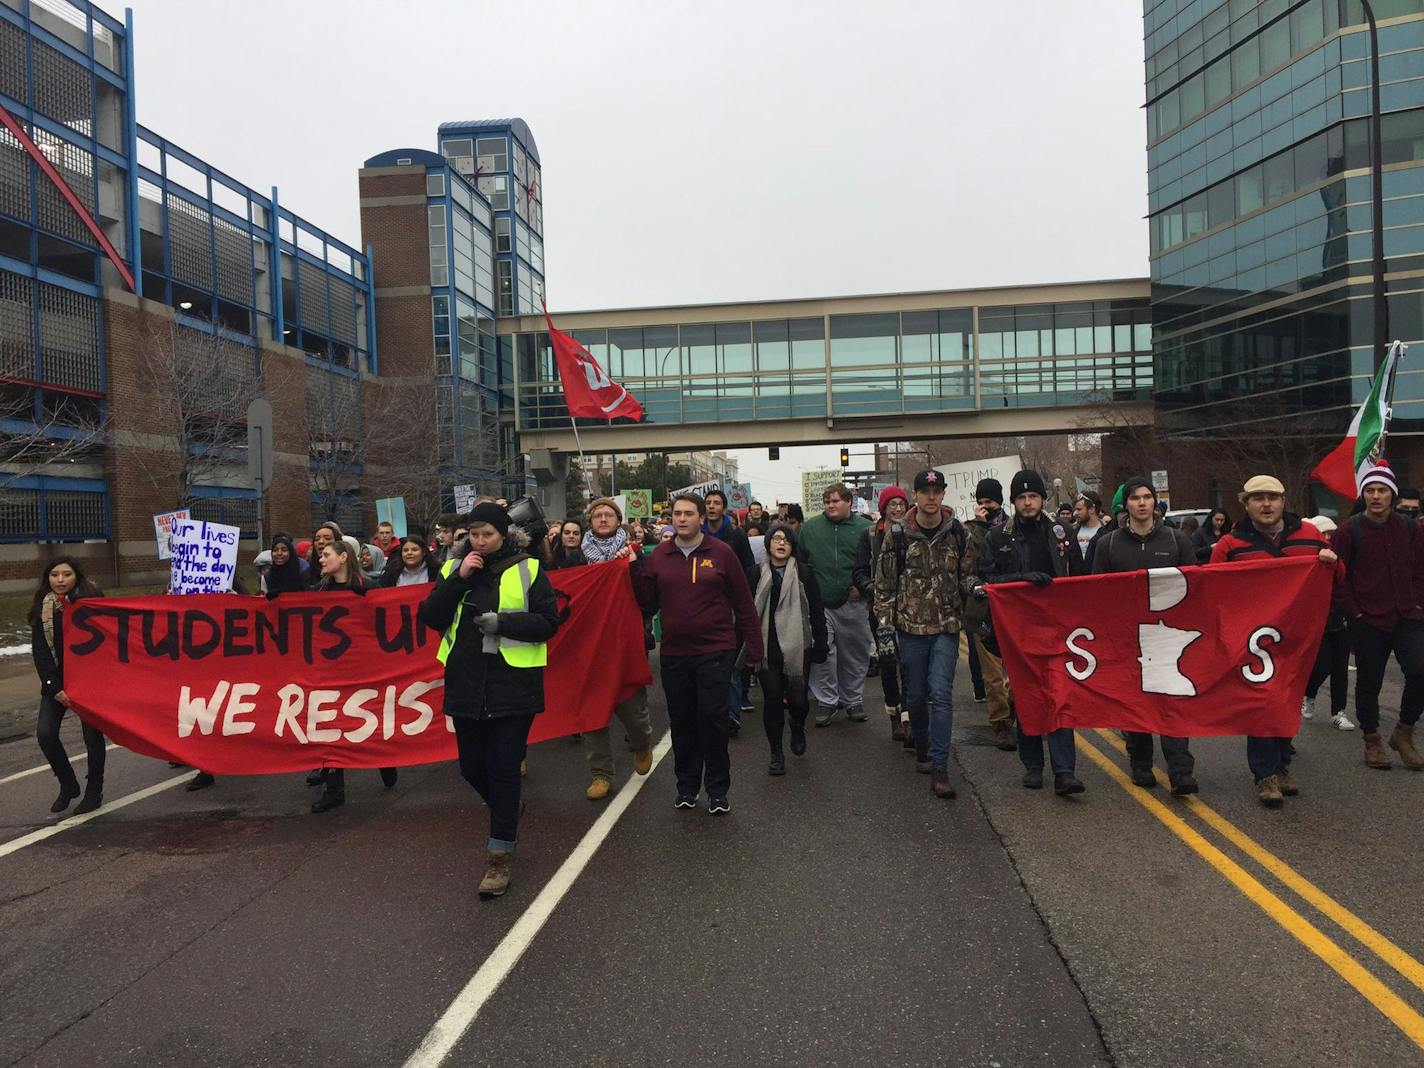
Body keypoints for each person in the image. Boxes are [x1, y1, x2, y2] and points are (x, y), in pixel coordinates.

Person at [420, 502, 561, 898]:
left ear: (503, 535)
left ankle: (500, 854)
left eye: (488, 535)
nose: (480, 542)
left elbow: (549, 622)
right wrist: (458, 580)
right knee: (470, 767)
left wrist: (505, 622)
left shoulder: (528, 568)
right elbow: (430, 616)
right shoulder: (453, 568)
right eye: (474, 535)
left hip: (513, 685)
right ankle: (506, 809)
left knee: (503, 767)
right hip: (465, 685)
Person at [1210, 475, 1340, 805]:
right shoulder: (1230, 545)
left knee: (1286, 699)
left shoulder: (1310, 535)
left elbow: (1338, 575)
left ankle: (1282, 763)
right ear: (1246, 504)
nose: (1266, 504)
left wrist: (1332, 563)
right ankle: (1266, 773)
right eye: (1258, 498)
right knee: (1263, 702)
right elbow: (1212, 590)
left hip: (1299, 638)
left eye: (1272, 497)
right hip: (1254, 641)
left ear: (1283, 500)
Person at [628, 493, 763, 813]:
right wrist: (634, 570)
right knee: (683, 722)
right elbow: (647, 604)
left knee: (713, 721)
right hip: (675, 654)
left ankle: (717, 790)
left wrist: (755, 646)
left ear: (702, 518)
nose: (682, 518)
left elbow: (744, 602)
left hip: (715, 651)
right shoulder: (660, 554)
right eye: (677, 514)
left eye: (689, 513)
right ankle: (687, 787)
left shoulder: (722, 553)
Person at [977, 469, 1087, 795]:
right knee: (1027, 698)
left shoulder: (1062, 534)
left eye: (1034, 496)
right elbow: (985, 581)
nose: (1028, 502)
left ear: (1043, 499)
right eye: (1022, 497)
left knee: (1059, 697)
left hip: (1056, 629)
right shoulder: (997, 538)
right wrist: (1022, 580)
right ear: (1013, 501)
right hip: (1017, 631)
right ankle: (1033, 765)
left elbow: (1081, 582)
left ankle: (1065, 771)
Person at [1092, 475, 1200, 795]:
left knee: (1172, 702)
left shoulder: (1176, 540)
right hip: (1126, 638)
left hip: (1166, 637)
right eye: (1135, 497)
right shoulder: (1108, 544)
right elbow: (1094, 592)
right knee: (1135, 703)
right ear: (1125, 504)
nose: (1142, 503)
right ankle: (1140, 762)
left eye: (1147, 497)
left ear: (1155, 502)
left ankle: (1180, 771)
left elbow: (1197, 585)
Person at [875, 470, 976, 798]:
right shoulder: (898, 534)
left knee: (941, 694)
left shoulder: (958, 533)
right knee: (916, 696)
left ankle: (940, 766)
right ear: (915, 495)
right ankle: (921, 740)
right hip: (910, 627)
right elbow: (885, 584)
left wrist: (978, 592)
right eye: (925, 491)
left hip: (947, 627)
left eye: (937, 490)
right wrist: (885, 628)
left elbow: (967, 576)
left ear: (943, 494)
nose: (931, 496)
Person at [1329, 461, 1424, 770]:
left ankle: (1404, 731)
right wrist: (1354, 612)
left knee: (1420, 671)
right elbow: (1337, 576)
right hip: (1368, 618)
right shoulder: (1349, 530)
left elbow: (1421, 570)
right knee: (1370, 682)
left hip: (1407, 615)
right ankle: (1372, 739)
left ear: (1392, 495)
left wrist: (1419, 603)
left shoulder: (1410, 528)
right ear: (1364, 495)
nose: (1376, 496)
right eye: (1370, 490)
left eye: (1382, 490)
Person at [560, 526, 655, 802]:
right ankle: (601, 773)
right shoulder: (576, 560)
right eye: (597, 514)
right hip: (587, 648)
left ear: (618, 520)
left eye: (609, 514)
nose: (603, 518)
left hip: (622, 645)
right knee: (593, 715)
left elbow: (647, 599)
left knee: (633, 712)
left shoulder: (633, 555)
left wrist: (633, 566)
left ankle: (642, 743)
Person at [309, 538, 400, 813]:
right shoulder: (317, 591)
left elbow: (387, 624)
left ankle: (385, 760)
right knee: (329, 724)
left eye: (326, 555)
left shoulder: (370, 588)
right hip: (329, 671)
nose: (321, 559)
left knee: (369, 720)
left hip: (364, 669)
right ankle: (334, 789)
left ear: (343, 557)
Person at [748, 524, 828, 774]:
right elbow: (747, 613)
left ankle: (797, 725)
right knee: (772, 699)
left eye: (787, 540)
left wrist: (821, 641)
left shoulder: (805, 573)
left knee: (798, 700)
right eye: (776, 539)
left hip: (797, 644)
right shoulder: (755, 573)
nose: (781, 543)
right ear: (769, 543)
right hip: (767, 644)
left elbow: (816, 610)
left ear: (793, 546)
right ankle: (776, 753)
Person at [31, 557, 106, 815]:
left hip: (90, 681)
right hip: (57, 682)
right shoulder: (43, 608)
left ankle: (94, 791)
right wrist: (55, 687)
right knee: (45, 734)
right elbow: (41, 652)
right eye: (54, 575)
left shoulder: (91, 602)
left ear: (77, 576)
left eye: (66, 574)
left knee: (92, 738)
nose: (60, 580)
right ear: (47, 578)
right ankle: (68, 783)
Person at [800, 483, 874, 726]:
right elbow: (801, 562)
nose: (831, 505)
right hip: (820, 604)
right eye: (827, 501)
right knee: (824, 652)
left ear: (849, 502)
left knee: (854, 654)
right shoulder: (810, 529)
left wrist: (864, 588)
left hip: (854, 604)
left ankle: (852, 700)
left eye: (836, 501)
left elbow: (876, 564)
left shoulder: (866, 529)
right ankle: (827, 701)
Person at [854, 485, 911, 741]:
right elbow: (858, 572)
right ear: (884, 509)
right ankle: (894, 713)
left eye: (902, 504)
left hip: (912, 608)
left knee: (911, 664)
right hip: (881, 609)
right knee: (888, 662)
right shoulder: (869, 535)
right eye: (893, 505)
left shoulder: (914, 532)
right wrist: (870, 587)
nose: (898, 509)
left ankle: (909, 717)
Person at [963, 478, 1016, 750]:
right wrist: (980, 526)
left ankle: (1013, 707)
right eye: (981, 503)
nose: (986, 507)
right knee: (992, 674)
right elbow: (969, 565)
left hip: (1013, 609)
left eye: (990, 503)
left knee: (1016, 669)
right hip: (983, 610)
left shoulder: (1014, 527)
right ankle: (1001, 723)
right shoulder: (969, 531)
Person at [1302, 516, 1351, 728]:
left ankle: (1339, 712)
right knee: (1323, 665)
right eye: (1324, 533)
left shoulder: (1337, 557)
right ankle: (1309, 695)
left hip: (1339, 618)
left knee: (1340, 666)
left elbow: (1345, 579)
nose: (1329, 537)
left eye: (1331, 533)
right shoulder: (1306, 560)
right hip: (1314, 621)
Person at [1073, 490, 1107, 564]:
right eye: (1075, 509)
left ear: (1091, 509)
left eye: (1079, 509)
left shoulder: (1107, 534)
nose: (1075, 513)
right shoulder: (1072, 533)